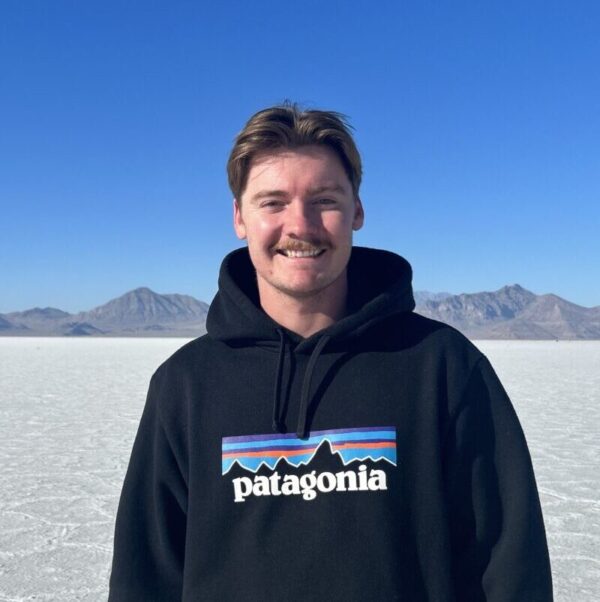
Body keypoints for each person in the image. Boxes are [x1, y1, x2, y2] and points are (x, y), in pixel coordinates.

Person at [109, 103, 553, 601]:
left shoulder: (443, 367)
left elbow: (509, 566)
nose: (300, 225)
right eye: (273, 202)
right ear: (239, 217)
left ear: (356, 211)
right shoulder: (186, 384)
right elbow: (145, 578)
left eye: (324, 200)